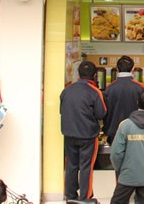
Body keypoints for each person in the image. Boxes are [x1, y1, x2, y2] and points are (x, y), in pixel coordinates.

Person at [60, 61, 107, 201]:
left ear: (78, 74)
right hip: (88, 135)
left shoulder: (66, 90)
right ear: (94, 75)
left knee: (71, 165)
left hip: (69, 134)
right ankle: (85, 197)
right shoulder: (95, 92)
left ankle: (70, 195)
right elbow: (101, 113)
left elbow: (61, 111)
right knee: (86, 166)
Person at [103, 55, 144, 144]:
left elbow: (105, 112)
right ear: (132, 69)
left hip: (114, 132)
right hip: (135, 132)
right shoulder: (140, 88)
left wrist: (106, 129)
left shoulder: (109, 88)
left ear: (117, 69)